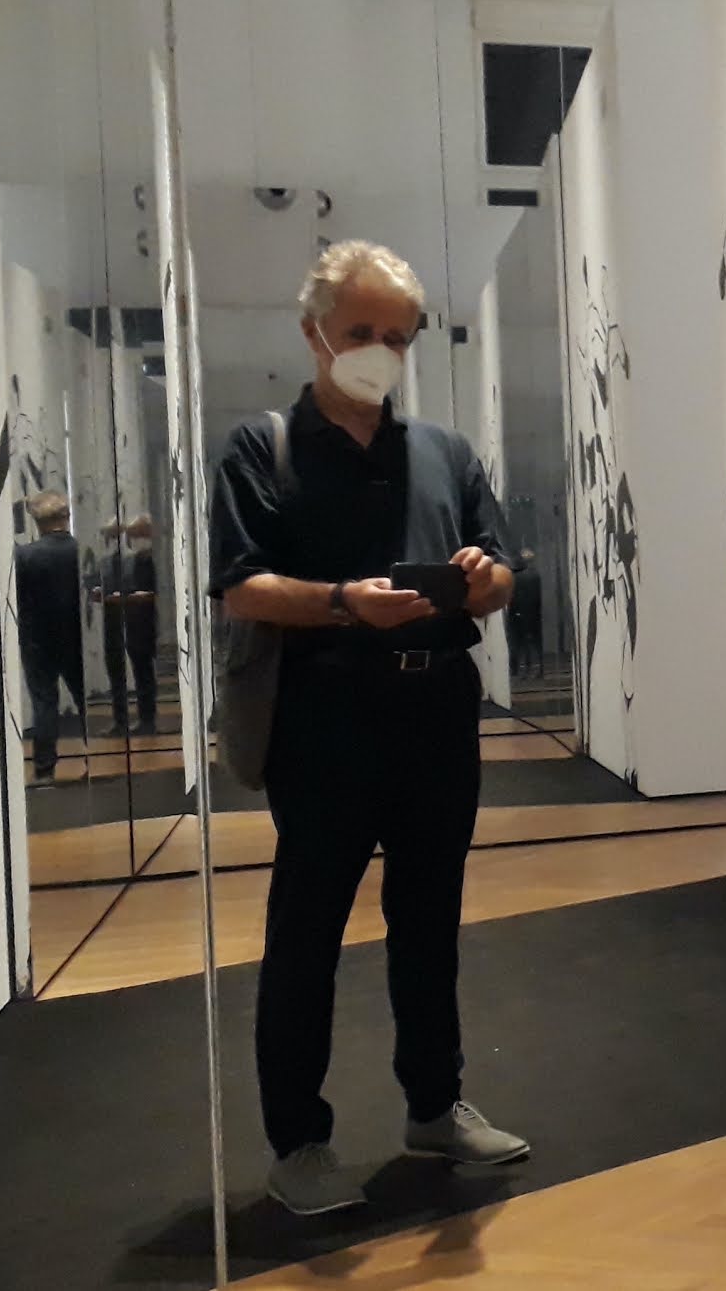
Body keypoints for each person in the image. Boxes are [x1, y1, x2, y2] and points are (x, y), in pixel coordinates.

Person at [208, 240, 528, 1217]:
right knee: (306, 932)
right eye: (361, 332)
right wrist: (345, 601)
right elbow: (241, 588)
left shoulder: (445, 453)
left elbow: (503, 570)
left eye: (398, 336)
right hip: (323, 718)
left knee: (429, 922)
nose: (380, 352)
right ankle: (298, 1142)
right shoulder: (261, 448)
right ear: (313, 331)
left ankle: (434, 1104)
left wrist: (482, 578)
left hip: (437, 711)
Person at [13, 491, 84, 781]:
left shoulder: (25, 556)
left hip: (37, 641)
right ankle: (96, 757)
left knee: (44, 704)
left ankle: (44, 769)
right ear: (66, 516)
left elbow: (17, 599)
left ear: (37, 521)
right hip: (76, 638)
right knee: (85, 700)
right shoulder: (80, 551)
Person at [98, 515, 160, 735]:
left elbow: (149, 592)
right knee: (116, 671)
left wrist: (127, 597)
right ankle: (120, 720)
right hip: (114, 621)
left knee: (142, 671)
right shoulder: (107, 562)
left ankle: (147, 719)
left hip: (139, 621)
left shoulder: (143, 560)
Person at [508, 548, 544, 681]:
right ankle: (538, 669)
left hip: (519, 614)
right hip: (533, 614)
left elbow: (515, 597)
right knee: (534, 643)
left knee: (520, 643)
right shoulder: (535, 576)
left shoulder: (516, 577)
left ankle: (521, 670)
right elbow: (537, 597)